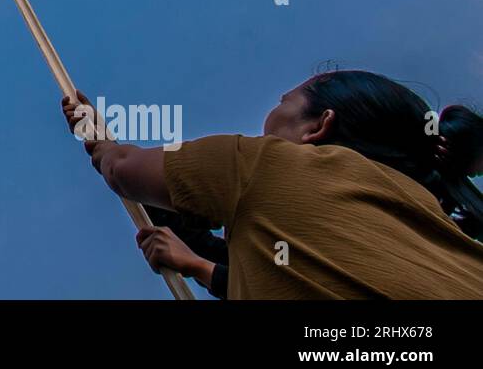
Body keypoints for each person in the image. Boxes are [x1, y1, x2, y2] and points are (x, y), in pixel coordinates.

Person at [62, 68, 483, 298]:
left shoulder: (265, 165)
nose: (275, 107)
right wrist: (194, 261)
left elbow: (123, 169)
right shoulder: (429, 213)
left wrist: (96, 137)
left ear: (319, 126)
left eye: (285, 102)